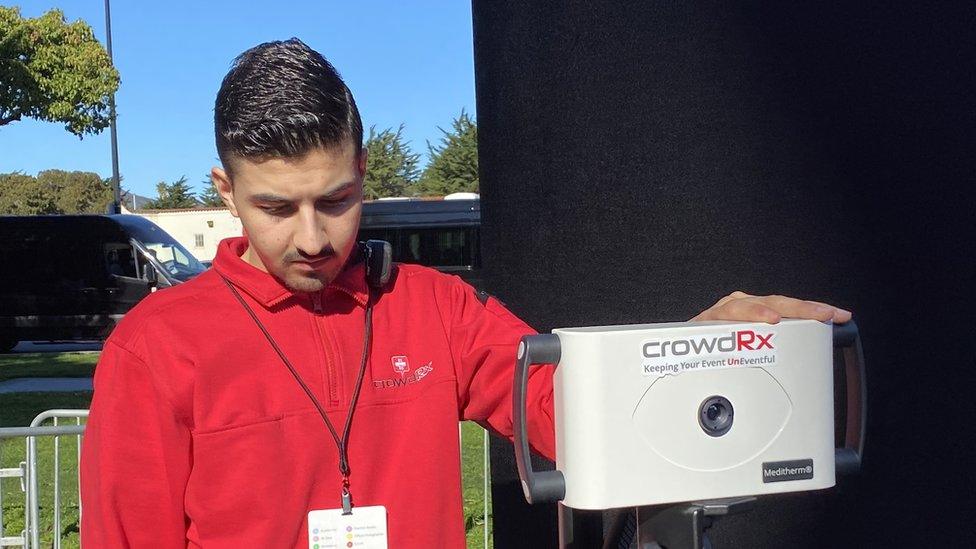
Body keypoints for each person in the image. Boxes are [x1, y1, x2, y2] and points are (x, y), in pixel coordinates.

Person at [79, 38, 852, 548]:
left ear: (365, 169)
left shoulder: (434, 307)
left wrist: (695, 350)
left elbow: (570, 407)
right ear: (227, 188)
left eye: (337, 199)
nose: (313, 237)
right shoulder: (154, 346)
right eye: (277, 208)